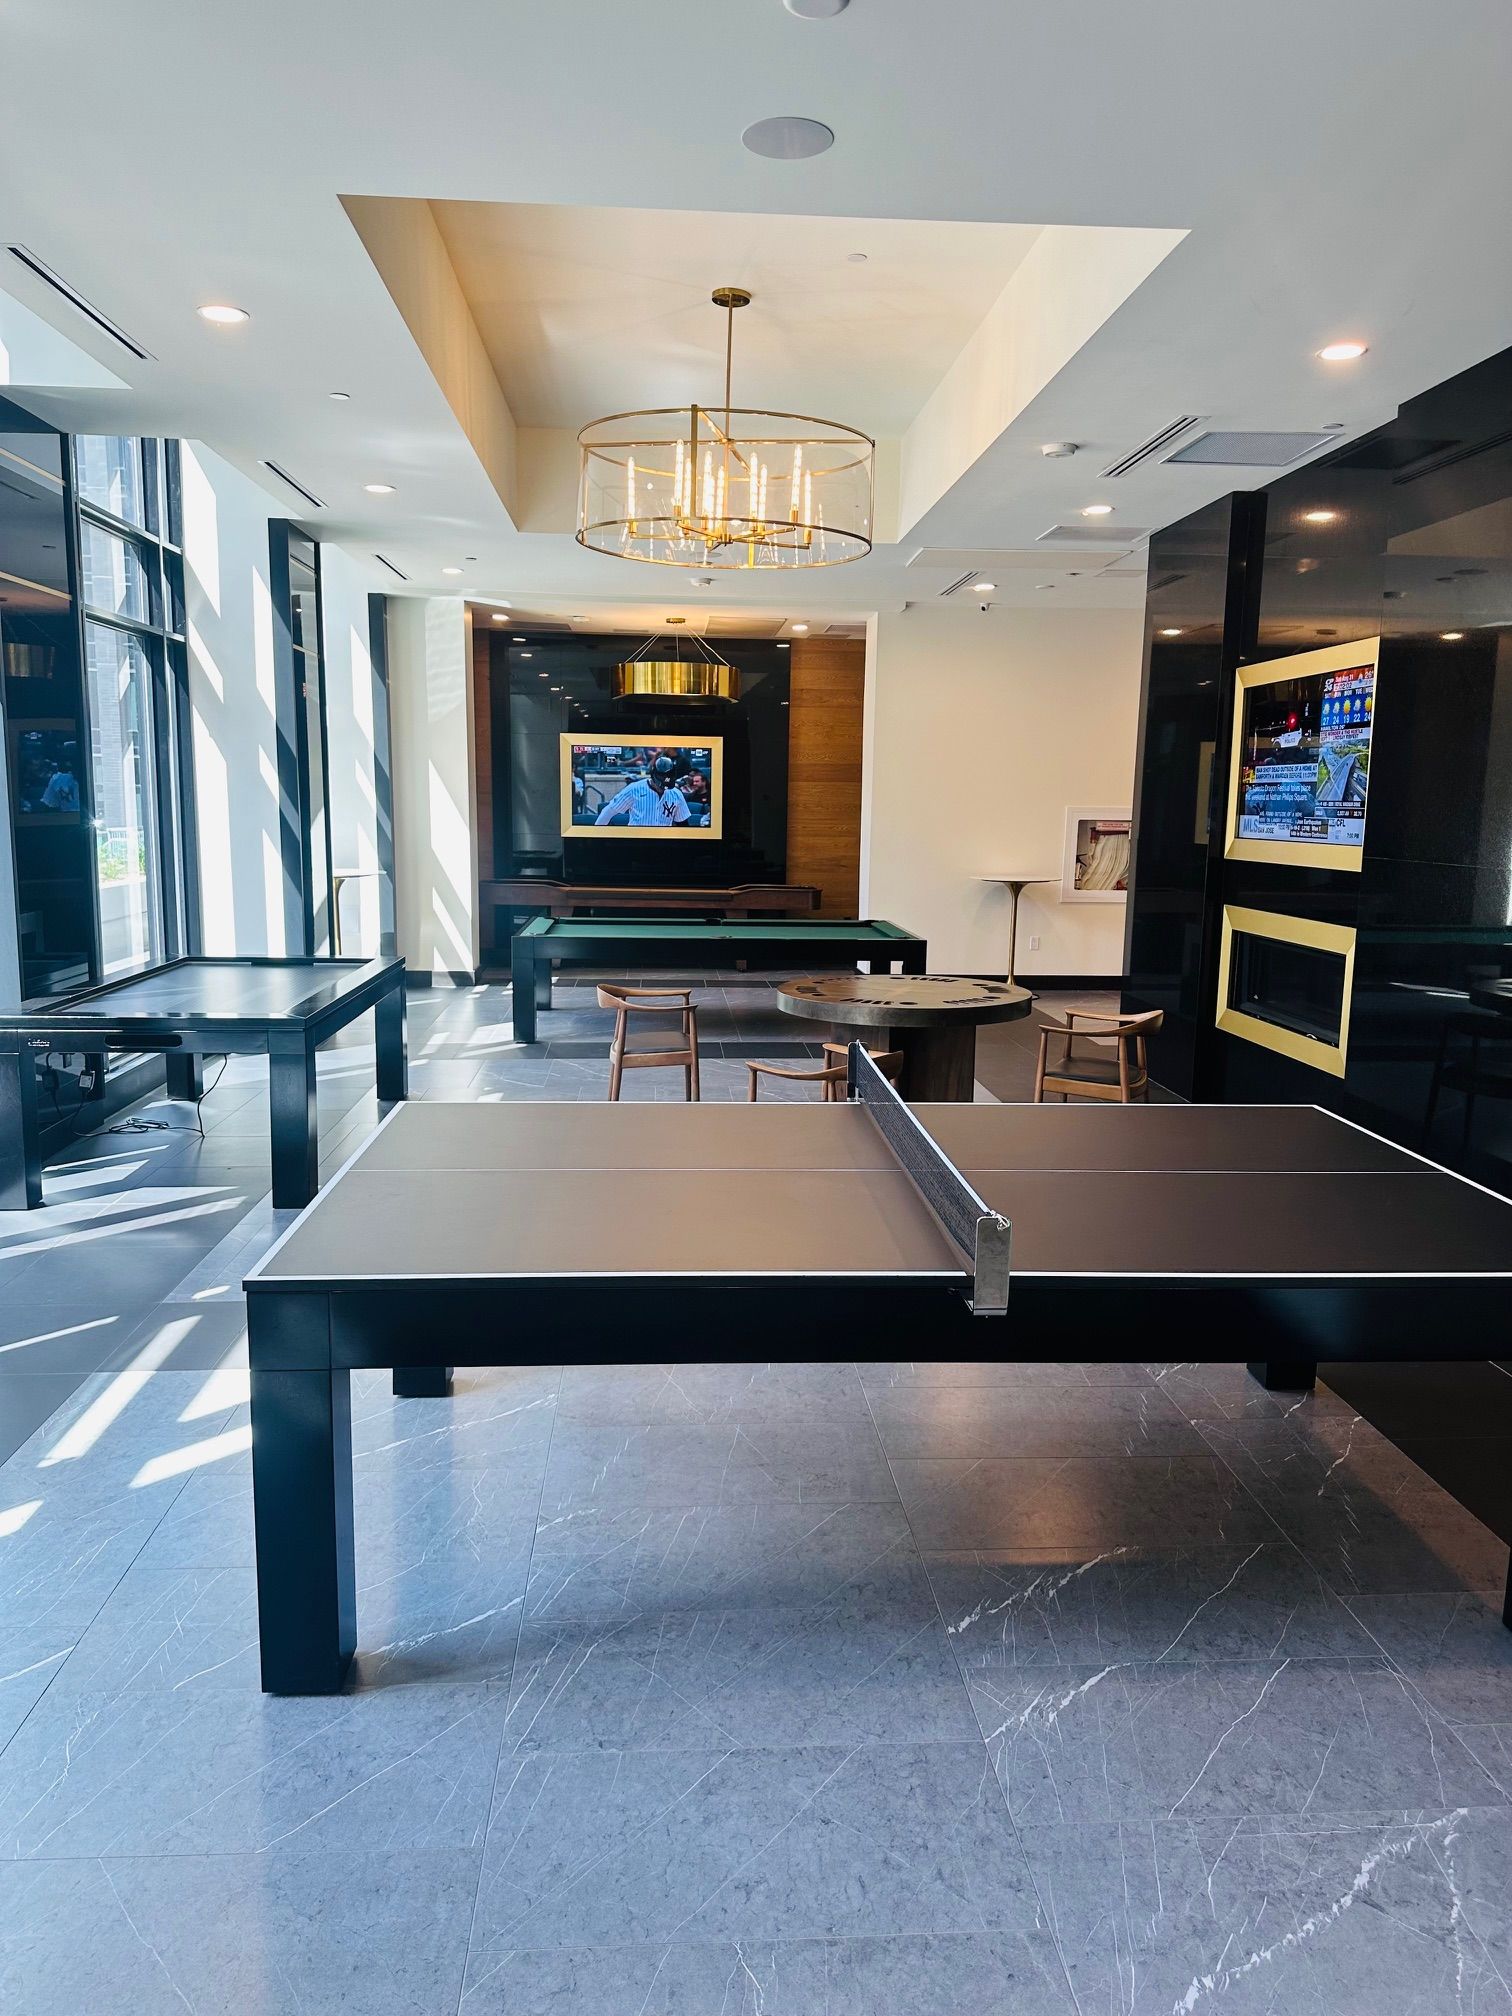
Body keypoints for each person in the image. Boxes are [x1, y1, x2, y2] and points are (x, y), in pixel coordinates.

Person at [594, 754, 691, 828]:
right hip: (637, 840)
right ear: (654, 776)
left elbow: (683, 824)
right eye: (661, 784)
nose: (663, 788)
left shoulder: (676, 794)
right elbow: (608, 811)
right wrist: (597, 837)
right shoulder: (634, 789)